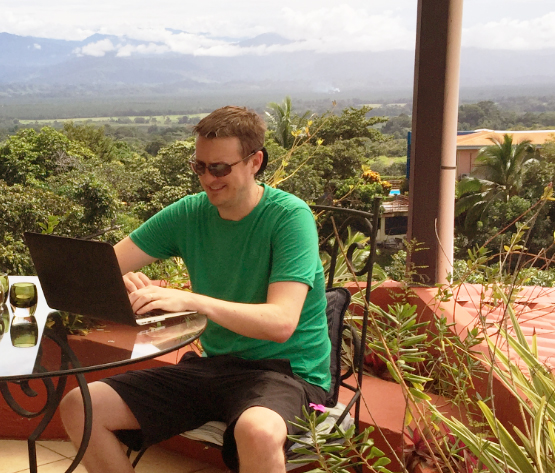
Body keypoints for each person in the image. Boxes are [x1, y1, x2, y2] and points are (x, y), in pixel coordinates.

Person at [60, 105, 331, 473]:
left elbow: (281, 323)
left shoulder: (288, 217)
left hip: (286, 373)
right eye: (199, 167)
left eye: (220, 168)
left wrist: (190, 299)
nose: (208, 179)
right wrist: (115, 278)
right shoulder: (189, 213)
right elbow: (92, 270)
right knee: (80, 405)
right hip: (214, 368)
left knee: (258, 432)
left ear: (255, 162)